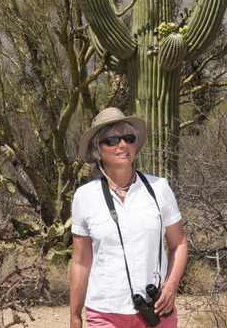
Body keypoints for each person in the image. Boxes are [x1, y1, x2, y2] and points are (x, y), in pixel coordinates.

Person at [70, 108, 188, 328]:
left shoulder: (158, 188)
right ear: (98, 149)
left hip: (157, 311)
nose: (122, 145)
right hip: (105, 313)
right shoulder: (84, 196)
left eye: (128, 138)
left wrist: (170, 286)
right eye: (112, 140)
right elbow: (80, 262)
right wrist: (75, 316)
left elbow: (179, 242)